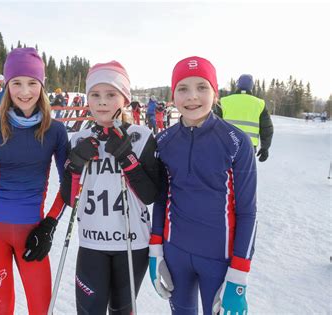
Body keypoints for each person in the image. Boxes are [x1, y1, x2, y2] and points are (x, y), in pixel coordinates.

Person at [0, 47, 69, 314]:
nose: (24, 91)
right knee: (3, 305)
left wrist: (49, 225)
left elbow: (70, 186)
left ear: (42, 86)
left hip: (31, 231)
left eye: (32, 83)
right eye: (16, 83)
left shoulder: (55, 131)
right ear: (7, 85)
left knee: (42, 306)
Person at [150, 56, 257, 314]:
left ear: (215, 93)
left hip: (219, 261)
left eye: (202, 87)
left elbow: (248, 212)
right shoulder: (163, 141)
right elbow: (161, 199)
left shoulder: (236, 142)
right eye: (183, 89)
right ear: (173, 95)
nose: (192, 97)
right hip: (175, 254)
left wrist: (239, 275)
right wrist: (155, 250)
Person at [61, 61, 160, 314]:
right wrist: (75, 165)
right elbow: (70, 199)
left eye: (111, 94)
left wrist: (127, 159)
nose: (102, 102)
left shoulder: (141, 136)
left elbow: (150, 194)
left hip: (131, 243)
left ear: (125, 99)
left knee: (121, 311)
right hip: (92, 243)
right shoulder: (80, 139)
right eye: (95, 95)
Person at [217, 74, 274, 162]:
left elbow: (212, 124)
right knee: (244, 174)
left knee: (223, 174)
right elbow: (267, 129)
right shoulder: (259, 104)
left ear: (238, 85)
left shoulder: (224, 101)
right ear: (251, 86)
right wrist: (265, 148)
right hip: (248, 148)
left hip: (225, 146)